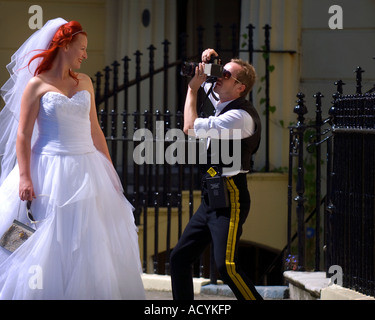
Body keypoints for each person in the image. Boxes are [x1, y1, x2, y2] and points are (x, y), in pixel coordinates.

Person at [0, 18, 145, 299]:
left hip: (88, 169)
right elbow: (22, 136)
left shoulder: (86, 82)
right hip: (47, 169)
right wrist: (26, 176)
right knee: (36, 236)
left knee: (89, 240)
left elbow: (95, 130)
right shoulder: (36, 85)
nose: (85, 54)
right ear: (64, 46)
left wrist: (111, 173)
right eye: (81, 48)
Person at [170, 48, 263, 300]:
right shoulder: (224, 102)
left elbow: (189, 127)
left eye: (226, 75)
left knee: (226, 267)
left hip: (231, 198)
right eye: (220, 73)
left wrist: (191, 90)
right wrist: (210, 60)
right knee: (179, 259)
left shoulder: (239, 116)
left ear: (240, 87)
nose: (218, 78)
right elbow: (210, 84)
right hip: (212, 197)